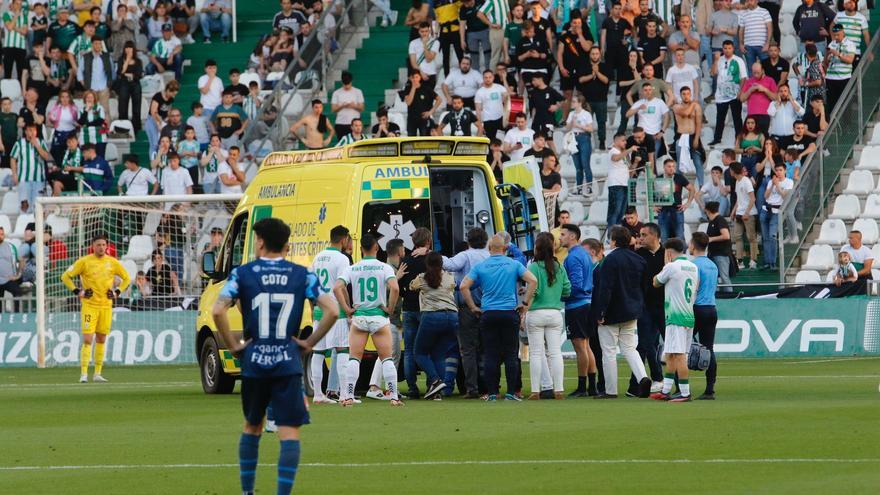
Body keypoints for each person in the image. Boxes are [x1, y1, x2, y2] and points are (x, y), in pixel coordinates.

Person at [212, 217, 338, 495]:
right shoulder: (303, 274)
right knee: (289, 431)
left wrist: (234, 345)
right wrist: (308, 342)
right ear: (286, 245)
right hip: (286, 360)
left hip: (255, 360)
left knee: (252, 426)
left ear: (260, 242)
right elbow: (333, 310)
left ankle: (248, 492)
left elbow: (218, 310)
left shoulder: (242, 274)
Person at [460, 234, 537, 402]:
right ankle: (511, 392)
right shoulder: (514, 264)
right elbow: (533, 281)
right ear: (505, 248)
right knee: (510, 354)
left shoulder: (481, 266)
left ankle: (492, 392)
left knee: (490, 354)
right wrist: (524, 303)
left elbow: (463, 286)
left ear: (489, 249)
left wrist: (473, 307)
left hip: (488, 313)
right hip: (509, 312)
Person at [333, 234, 403, 407]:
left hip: (360, 317)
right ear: (377, 248)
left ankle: (348, 396)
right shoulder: (384, 267)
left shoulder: (353, 267)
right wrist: (390, 308)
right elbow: (394, 287)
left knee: (354, 359)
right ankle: (394, 396)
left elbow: (337, 287)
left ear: (360, 249)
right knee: (386, 358)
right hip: (379, 317)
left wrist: (347, 308)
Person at [61, 233, 131, 383]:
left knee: (101, 338)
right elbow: (65, 277)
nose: (101, 247)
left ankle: (98, 373)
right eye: (98, 245)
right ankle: (84, 374)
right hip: (89, 306)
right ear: (93, 246)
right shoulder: (84, 262)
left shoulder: (112, 262)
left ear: (107, 246)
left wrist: (117, 292)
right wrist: (78, 292)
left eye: (103, 245)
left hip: (106, 306)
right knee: (87, 339)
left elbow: (127, 278)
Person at [591, 226, 652, 399]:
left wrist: (600, 311)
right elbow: (644, 287)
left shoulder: (610, 260)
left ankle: (610, 390)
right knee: (630, 349)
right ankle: (643, 377)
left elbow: (606, 288)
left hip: (611, 312)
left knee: (609, 351)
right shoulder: (639, 260)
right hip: (632, 311)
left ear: (614, 241)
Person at [650, 237, 699, 402]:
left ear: (669, 252)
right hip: (688, 314)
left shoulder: (671, 267)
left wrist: (665, 264)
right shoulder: (693, 266)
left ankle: (685, 393)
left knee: (679, 355)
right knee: (670, 353)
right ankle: (665, 390)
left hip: (675, 316)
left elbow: (655, 282)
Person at [308, 225, 353, 405]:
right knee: (342, 349)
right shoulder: (342, 259)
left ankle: (318, 394)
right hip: (337, 311)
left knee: (318, 352)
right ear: (343, 240)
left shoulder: (317, 258)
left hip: (319, 310)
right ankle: (343, 394)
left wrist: (312, 309)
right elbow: (341, 287)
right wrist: (348, 308)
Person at [443, 228, 489, 398]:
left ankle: (472, 388)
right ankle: (489, 386)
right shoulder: (489, 256)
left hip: (467, 308)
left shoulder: (466, 255)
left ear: (468, 241)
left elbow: (448, 265)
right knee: (486, 349)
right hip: (489, 306)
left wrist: (431, 253)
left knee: (468, 350)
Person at [525, 232, 571, 399]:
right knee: (555, 352)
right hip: (555, 312)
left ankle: (536, 390)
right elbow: (567, 289)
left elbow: (532, 291)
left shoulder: (533, 267)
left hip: (536, 312)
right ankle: (558, 389)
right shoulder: (559, 267)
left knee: (536, 353)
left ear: (537, 248)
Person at [409, 252, 459, 400]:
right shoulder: (450, 277)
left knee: (419, 353)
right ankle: (437, 392)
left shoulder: (422, 278)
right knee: (439, 355)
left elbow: (412, 287)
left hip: (431, 316)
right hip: (452, 317)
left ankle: (435, 380)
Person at [559, 223, 597, 397]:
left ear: (572, 236)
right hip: (586, 303)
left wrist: (562, 296)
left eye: (563, 234)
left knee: (580, 346)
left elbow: (576, 283)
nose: (560, 237)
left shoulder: (573, 257)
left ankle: (583, 387)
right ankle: (591, 386)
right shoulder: (583, 254)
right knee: (586, 345)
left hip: (577, 305)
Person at [398, 227, 432, 398]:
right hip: (426, 308)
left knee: (409, 350)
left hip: (409, 308)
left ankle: (412, 388)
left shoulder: (406, 260)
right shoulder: (431, 259)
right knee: (428, 349)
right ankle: (430, 384)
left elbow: (400, 287)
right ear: (428, 241)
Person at [710, 40, 747, 145]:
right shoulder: (719, 60)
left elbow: (743, 77)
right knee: (720, 118)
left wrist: (740, 91)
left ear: (733, 49)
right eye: (725, 48)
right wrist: (716, 60)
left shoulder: (738, 60)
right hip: (721, 95)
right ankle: (717, 139)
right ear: (722, 49)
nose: (727, 50)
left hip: (735, 94)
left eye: (729, 48)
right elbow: (713, 73)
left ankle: (739, 139)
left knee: (737, 118)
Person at [10, 123, 51, 214]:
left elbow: (46, 157)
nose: (31, 133)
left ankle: (36, 226)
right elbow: (13, 159)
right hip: (24, 179)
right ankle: (24, 225)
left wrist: (37, 145)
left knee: (37, 206)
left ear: (36, 132)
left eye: (33, 130)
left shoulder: (41, 142)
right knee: (24, 204)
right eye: (29, 130)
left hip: (39, 180)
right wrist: (14, 174)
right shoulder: (19, 143)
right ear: (25, 131)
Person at [760, 163, 792, 270]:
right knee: (765, 238)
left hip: (777, 210)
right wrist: (773, 184)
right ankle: (767, 262)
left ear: (785, 171)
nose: (778, 172)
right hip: (766, 209)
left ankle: (773, 262)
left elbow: (784, 195)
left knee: (772, 236)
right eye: (777, 170)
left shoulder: (789, 182)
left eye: (780, 170)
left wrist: (777, 185)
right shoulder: (770, 181)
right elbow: (765, 196)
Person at [657, 158, 696, 242]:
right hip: (663, 211)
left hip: (677, 210)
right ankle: (666, 255)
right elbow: (650, 193)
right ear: (664, 167)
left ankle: (681, 255)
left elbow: (692, 189)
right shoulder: (658, 178)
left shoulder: (679, 177)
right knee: (664, 238)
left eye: (673, 166)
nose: (672, 168)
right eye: (669, 166)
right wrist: (653, 206)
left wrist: (687, 204)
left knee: (680, 237)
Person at [730, 161, 759, 270]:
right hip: (739, 213)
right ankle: (740, 261)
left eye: (730, 170)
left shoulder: (746, 181)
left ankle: (753, 260)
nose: (729, 172)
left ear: (733, 170)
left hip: (749, 213)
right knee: (737, 236)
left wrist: (747, 212)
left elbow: (753, 198)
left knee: (751, 238)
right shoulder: (737, 181)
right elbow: (739, 199)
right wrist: (734, 211)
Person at [565, 94, 595, 195]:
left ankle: (589, 187)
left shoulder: (586, 114)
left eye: (574, 102)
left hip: (584, 138)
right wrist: (571, 123)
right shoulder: (571, 114)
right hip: (574, 138)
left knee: (585, 164)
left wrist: (578, 125)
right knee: (578, 167)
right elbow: (567, 127)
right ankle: (579, 189)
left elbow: (591, 129)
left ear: (579, 103)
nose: (572, 103)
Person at [824, 23, 857, 113]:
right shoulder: (832, 43)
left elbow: (850, 60)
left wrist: (838, 54)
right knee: (831, 103)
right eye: (834, 35)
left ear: (843, 32)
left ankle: (846, 125)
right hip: (830, 78)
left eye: (838, 35)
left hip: (843, 78)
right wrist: (828, 55)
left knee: (845, 103)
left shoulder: (850, 44)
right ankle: (832, 124)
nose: (836, 37)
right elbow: (825, 62)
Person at [739, 62, 777, 135]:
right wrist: (750, 90)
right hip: (751, 115)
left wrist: (764, 90)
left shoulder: (770, 80)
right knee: (751, 136)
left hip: (764, 114)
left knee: (763, 136)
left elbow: (775, 97)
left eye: (758, 73)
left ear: (762, 70)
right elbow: (742, 99)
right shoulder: (749, 81)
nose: (756, 75)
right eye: (754, 73)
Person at [399, 71, 441, 137]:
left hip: (423, 118)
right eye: (413, 77)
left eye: (416, 77)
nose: (415, 79)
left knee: (424, 139)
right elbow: (409, 102)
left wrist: (430, 112)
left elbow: (439, 99)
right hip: (411, 118)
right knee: (411, 140)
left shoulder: (426, 88)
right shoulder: (407, 89)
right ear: (410, 79)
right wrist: (413, 88)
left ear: (420, 78)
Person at [737, 0, 772, 72]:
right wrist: (741, 44)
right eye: (748, 0)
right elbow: (741, 30)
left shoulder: (764, 11)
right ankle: (752, 83)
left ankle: (766, 83)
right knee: (751, 70)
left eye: (751, 0)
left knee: (766, 68)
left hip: (762, 45)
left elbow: (770, 28)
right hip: (748, 46)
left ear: (757, 1)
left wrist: (767, 43)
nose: (749, 2)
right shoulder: (743, 14)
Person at [115, 41, 143, 131]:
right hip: (124, 84)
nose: (128, 50)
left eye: (130, 48)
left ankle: (136, 128)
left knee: (136, 107)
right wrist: (127, 60)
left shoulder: (138, 61)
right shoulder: (121, 60)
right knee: (122, 107)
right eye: (126, 48)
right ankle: (123, 128)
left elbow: (139, 74)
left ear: (133, 49)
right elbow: (120, 72)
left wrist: (131, 75)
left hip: (135, 84)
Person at [607, 132, 633, 227]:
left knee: (621, 211)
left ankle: (617, 232)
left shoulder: (624, 153)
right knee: (615, 210)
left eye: (625, 140)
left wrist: (637, 162)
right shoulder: (613, 151)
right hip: (616, 184)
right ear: (616, 141)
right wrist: (629, 150)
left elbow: (630, 169)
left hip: (625, 184)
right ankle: (611, 235)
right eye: (623, 140)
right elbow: (615, 158)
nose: (625, 142)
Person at [474, 69, 508, 140]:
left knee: (502, 140)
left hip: (500, 118)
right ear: (483, 78)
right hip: (487, 120)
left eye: (490, 77)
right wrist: (480, 125)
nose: (488, 79)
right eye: (486, 77)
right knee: (490, 141)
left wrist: (504, 79)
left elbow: (508, 95)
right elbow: (478, 109)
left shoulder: (499, 87)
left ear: (493, 78)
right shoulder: (479, 92)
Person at [330, 71, 365, 139]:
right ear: (342, 82)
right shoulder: (336, 93)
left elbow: (362, 108)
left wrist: (354, 106)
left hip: (355, 124)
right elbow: (333, 109)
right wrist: (342, 106)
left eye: (348, 84)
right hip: (341, 123)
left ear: (351, 81)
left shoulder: (358, 92)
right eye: (345, 84)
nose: (347, 86)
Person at [0, 226, 23, 312]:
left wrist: (18, 274)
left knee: (18, 292)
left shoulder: (10, 247)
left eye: (2, 234)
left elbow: (21, 260)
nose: (0, 236)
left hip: (9, 279)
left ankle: (17, 315)